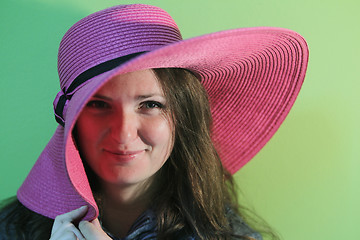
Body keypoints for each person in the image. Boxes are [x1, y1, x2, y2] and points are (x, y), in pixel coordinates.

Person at [0, 4, 308, 240]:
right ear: (72, 120)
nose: (123, 132)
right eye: (98, 104)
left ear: (182, 114)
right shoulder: (12, 229)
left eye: (150, 105)